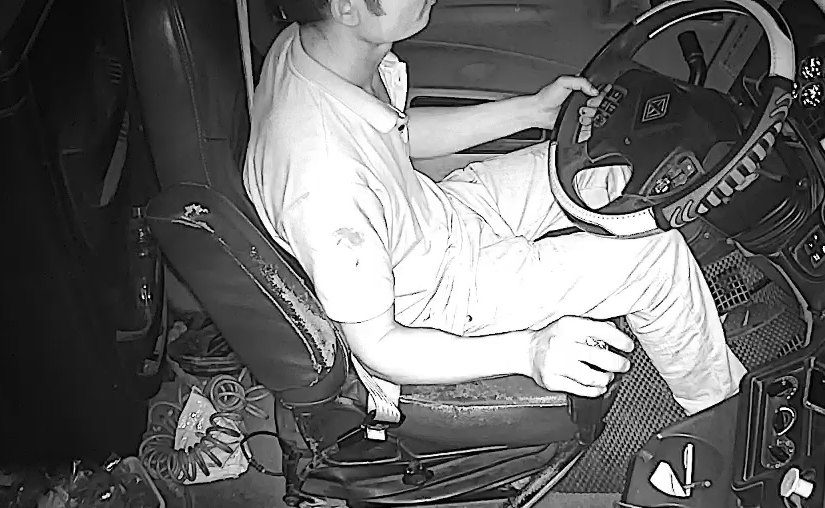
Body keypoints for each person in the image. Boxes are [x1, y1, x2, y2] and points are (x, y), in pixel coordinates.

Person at [245, 0, 746, 417]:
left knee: (601, 165)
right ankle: (723, 412)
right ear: (346, 7)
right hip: (437, 298)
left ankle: (675, 318)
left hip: (438, 215)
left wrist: (533, 110)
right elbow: (378, 346)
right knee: (658, 260)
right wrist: (530, 351)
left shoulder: (314, 48)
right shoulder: (326, 185)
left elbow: (395, 133)